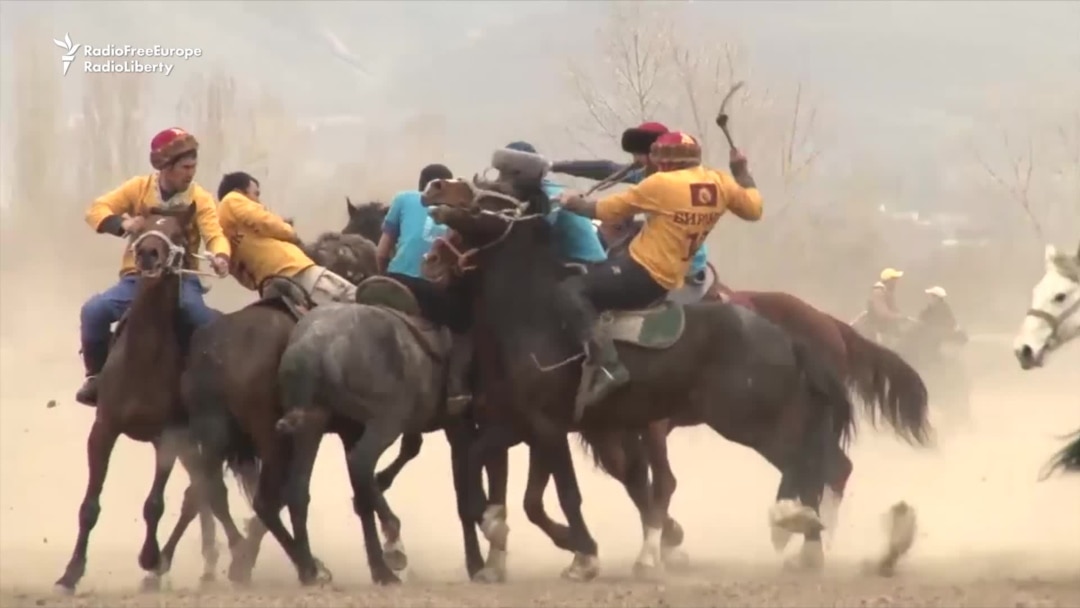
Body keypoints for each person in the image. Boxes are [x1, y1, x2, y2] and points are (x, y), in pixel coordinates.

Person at [555, 131, 763, 406]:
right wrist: (741, 172)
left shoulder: (661, 184)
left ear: (665, 162)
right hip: (672, 274)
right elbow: (754, 210)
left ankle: (607, 366)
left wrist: (571, 201)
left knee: (571, 290)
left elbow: (604, 211)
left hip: (642, 273)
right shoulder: (721, 182)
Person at [76, 127, 231, 406]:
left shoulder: (201, 199)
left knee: (198, 314)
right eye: (185, 167)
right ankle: (97, 376)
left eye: (194, 166)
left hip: (182, 280)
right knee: (93, 311)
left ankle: (221, 381)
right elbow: (96, 210)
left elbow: (215, 234)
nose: (191, 172)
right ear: (165, 167)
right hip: (139, 277)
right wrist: (122, 224)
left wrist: (221, 255)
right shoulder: (139, 188)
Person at [548, 122, 710, 285]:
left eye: (638, 153)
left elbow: (614, 207)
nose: (634, 159)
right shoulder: (649, 172)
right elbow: (608, 169)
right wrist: (554, 166)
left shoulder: (664, 182)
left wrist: (576, 203)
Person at [376, 163, 472, 409]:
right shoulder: (460, 211)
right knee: (465, 324)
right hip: (430, 286)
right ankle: (455, 388)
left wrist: (383, 276)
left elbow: (381, 251)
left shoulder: (402, 199)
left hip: (395, 278)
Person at [217, 171, 358, 305]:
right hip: (291, 266)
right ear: (239, 192)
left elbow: (241, 275)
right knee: (354, 296)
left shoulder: (220, 231)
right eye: (256, 194)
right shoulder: (232, 200)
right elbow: (265, 221)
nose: (258, 202)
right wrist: (291, 233)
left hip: (267, 283)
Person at [495, 141, 607, 267]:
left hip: (583, 263)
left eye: (510, 172)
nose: (502, 178)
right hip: (560, 258)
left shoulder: (551, 194)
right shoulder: (533, 190)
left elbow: (537, 231)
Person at [865, 268, 909, 345]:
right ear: (889, 281)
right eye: (894, 279)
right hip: (878, 330)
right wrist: (899, 317)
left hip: (886, 329)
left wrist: (902, 317)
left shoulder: (887, 292)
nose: (896, 282)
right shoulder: (878, 292)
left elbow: (893, 309)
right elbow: (882, 313)